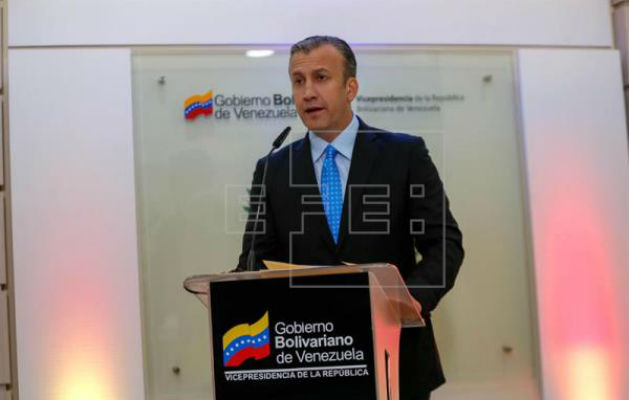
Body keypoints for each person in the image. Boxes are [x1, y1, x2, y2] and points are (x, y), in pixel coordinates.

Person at [236, 35, 464, 400]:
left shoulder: (404, 154)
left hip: (395, 358)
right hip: (307, 363)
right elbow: (254, 259)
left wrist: (411, 299)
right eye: (298, 81)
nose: (307, 92)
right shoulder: (273, 168)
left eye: (321, 77)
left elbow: (444, 245)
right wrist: (234, 294)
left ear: (350, 87)